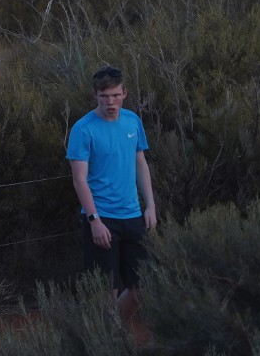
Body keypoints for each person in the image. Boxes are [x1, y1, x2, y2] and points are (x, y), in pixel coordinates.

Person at [67, 65, 155, 327]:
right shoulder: (83, 129)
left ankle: (108, 331)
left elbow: (141, 163)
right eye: (104, 96)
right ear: (95, 95)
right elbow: (79, 179)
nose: (110, 102)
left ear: (125, 93)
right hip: (101, 218)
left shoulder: (132, 121)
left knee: (143, 287)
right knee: (106, 291)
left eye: (115, 95)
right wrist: (94, 220)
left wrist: (150, 205)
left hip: (133, 216)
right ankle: (106, 338)